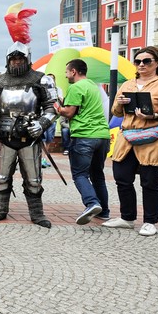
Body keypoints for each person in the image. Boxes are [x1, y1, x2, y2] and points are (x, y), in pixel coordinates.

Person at [0, 7, 57, 227]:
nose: (16, 61)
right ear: (7, 60)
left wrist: (41, 124)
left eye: (19, 58)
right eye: (12, 58)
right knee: (2, 177)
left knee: (33, 179)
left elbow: (52, 108)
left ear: (27, 59)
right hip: (3, 134)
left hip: (29, 133)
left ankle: (37, 213)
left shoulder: (40, 79)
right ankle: (0, 208)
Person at [103, 47, 158, 236]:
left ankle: (150, 221)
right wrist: (119, 102)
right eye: (138, 61)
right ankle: (127, 218)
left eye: (147, 61)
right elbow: (116, 112)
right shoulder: (128, 84)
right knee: (122, 177)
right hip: (128, 136)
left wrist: (155, 114)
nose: (142, 65)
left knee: (150, 181)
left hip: (155, 136)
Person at [58, 59, 111, 225]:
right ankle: (104, 211)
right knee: (98, 175)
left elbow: (69, 113)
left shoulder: (75, 87)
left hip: (84, 135)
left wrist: (57, 108)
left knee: (80, 174)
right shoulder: (93, 86)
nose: (66, 75)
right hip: (102, 135)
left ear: (73, 71)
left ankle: (91, 203)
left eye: (66, 72)